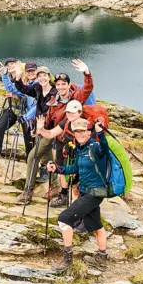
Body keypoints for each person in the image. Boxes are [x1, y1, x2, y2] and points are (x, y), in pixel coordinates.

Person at [46, 107, 110, 273]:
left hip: (94, 193)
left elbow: (105, 149)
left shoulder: (95, 146)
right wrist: (58, 169)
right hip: (86, 192)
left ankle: (67, 259)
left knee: (64, 219)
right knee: (96, 225)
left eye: (83, 131)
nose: (80, 134)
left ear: (88, 132)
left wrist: (101, 133)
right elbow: (74, 168)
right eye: (77, 132)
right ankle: (101, 258)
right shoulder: (81, 149)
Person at [37, 60, 93, 207]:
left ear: (69, 85)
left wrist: (86, 73)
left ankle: (78, 201)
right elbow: (50, 123)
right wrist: (40, 128)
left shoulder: (76, 99)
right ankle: (63, 196)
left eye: (63, 84)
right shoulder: (53, 101)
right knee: (62, 169)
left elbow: (87, 89)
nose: (61, 87)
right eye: (58, 84)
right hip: (61, 139)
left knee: (76, 174)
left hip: (76, 141)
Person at [0, 58, 38, 158]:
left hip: (27, 113)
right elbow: (12, 88)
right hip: (15, 109)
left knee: (29, 139)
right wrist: (4, 74)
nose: (30, 73)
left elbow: (22, 94)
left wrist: (16, 95)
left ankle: (31, 161)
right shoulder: (24, 81)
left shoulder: (27, 80)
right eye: (8, 65)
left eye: (13, 64)